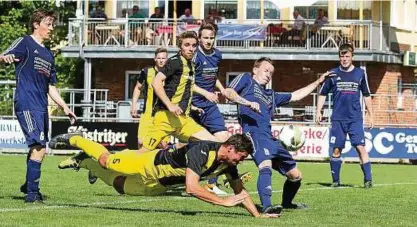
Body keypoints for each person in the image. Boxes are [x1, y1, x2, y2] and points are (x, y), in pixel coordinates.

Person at [50, 133, 280, 218]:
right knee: (107, 161)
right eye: (241, 156)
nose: (242, 160)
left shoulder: (228, 164)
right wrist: (223, 202)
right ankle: (76, 139)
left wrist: (257, 216)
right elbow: (191, 188)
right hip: (147, 163)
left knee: (119, 186)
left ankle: (85, 163)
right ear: (231, 149)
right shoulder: (202, 150)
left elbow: (240, 192)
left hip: (159, 184)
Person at [224, 57, 334, 213]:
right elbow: (228, 92)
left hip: (271, 138)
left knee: (296, 175)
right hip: (254, 135)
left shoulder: (271, 95)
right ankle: (267, 207)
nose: (269, 74)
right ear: (255, 70)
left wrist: (318, 82)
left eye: (271, 72)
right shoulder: (247, 80)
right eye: (266, 70)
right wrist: (246, 103)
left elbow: (296, 95)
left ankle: (287, 203)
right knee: (265, 165)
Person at [0, 9, 76, 203]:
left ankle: (28, 185)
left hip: (42, 107)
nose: (51, 28)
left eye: (52, 24)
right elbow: (3, 56)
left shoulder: (49, 55)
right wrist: (4, 58)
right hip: (26, 103)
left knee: (39, 148)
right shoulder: (25, 42)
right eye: (48, 24)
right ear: (36, 24)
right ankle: (32, 195)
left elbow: (51, 86)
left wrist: (65, 107)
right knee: (39, 148)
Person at [191, 22, 250, 195]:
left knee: (224, 139)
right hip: (192, 103)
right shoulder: (193, 56)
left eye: (211, 38)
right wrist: (205, 93)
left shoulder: (217, 54)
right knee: (184, 145)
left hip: (209, 105)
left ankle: (212, 182)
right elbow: (187, 81)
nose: (208, 41)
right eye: (205, 38)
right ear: (199, 38)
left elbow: (214, 75)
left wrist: (222, 88)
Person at [137, 31, 221, 154]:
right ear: (180, 46)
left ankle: (230, 174)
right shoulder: (174, 61)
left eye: (193, 45)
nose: (191, 49)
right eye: (187, 45)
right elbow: (156, 82)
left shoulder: (191, 65)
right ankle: (116, 169)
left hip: (183, 120)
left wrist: (205, 95)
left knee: (214, 143)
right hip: (165, 118)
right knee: (143, 152)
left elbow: (188, 86)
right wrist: (170, 105)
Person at [316, 43, 374, 188]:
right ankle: (336, 181)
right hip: (338, 119)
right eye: (342, 56)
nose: (344, 59)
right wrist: (318, 110)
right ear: (339, 57)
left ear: (352, 56)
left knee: (360, 147)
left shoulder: (360, 73)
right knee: (336, 149)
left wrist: (371, 115)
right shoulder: (332, 74)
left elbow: (367, 95)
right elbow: (322, 94)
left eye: (347, 56)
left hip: (355, 118)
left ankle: (368, 180)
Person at [130, 47, 170, 148]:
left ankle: (159, 163)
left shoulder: (171, 74)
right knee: (141, 142)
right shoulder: (146, 72)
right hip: (147, 113)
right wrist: (134, 105)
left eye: (163, 58)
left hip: (163, 114)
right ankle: (141, 163)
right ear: (155, 59)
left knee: (163, 144)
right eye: (159, 58)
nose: (161, 60)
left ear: (167, 59)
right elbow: (138, 88)